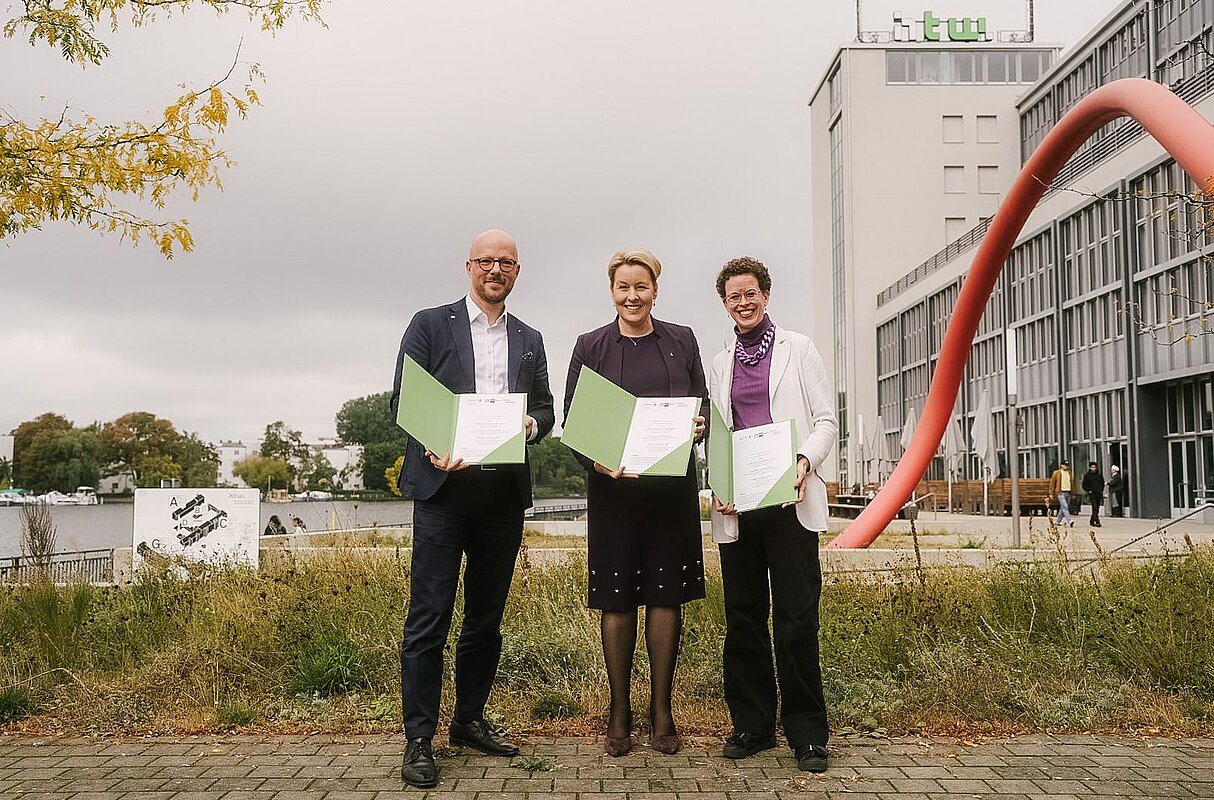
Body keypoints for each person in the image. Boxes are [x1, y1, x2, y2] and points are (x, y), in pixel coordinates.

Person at [389, 229, 555, 789]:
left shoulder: (530, 339)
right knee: (429, 617)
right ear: (468, 266)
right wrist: (434, 441)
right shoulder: (429, 325)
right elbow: (404, 400)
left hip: (501, 497)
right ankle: (419, 738)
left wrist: (528, 425)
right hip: (443, 492)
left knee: (485, 619)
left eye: (505, 262)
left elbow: (545, 410)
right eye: (486, 261)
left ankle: (468, 720)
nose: (495, 270)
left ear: (517, 271)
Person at [564, 249, 708, 757]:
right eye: (623, 287)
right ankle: (619, 710)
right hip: (614, 493)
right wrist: (596, 462)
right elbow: (574, 423)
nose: (632, 296)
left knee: (666, 598)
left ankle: (662, 711)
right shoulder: (590, 346)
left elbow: (702, 404)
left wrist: (698, 427)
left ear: (655, 290)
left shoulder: (682, 340)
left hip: (670, 492)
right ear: (612, 291)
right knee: (618, 599)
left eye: (641, 287)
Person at [707, 256, 838, 774]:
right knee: (743, 618)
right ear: (725, 303)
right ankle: (753, 726)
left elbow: (827, 421)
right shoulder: (719, 363)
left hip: (790, 501)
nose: (743, 303)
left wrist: (804, 462)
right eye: (733, 296)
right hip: (739, 508)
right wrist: (718, 482)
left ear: (765, 294)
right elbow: (718, 437)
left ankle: (807, 734)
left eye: (750, 293)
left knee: (796, 619)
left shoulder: (798, 348)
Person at [1049, 460, 1074, 527]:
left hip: (1068, 492)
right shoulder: (1057, 473)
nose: (1066, 466)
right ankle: (1070, 520)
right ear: (1061, 465)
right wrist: (1051, 493)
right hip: (1060, 492)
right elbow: (1052, 483)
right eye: (1065, 465)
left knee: (1062, 507)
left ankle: (1058, 521)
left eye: (1067, 465)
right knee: (1065, 506)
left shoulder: (1069, 473)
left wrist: (1072, 491)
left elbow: (1071, 482)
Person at [1082, 461, 1105, 528]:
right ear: (1090, 468)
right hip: (1092, 493)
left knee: (1097, 508)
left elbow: (1102, 483)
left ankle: (1092, 520)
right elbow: (1084, 485)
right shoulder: (1087, 475)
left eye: (1094, 467)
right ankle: (1097, 521)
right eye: (1092, 467)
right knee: (1094, 507)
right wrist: (1089, 490)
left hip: (1098, 493)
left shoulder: (1099, 475)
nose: (1093, 468)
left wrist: (1101, 490)